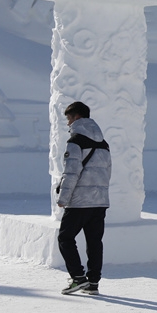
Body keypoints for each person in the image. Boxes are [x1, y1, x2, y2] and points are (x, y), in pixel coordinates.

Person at [56, 101, 111, 295]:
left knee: (65, 237)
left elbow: (71, 172)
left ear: (77, 117)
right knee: (95, 242)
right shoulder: (103, 143)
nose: (68, 123)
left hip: (80, 201)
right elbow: (107, 172)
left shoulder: (76, 141)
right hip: (100, 201)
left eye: (69, 118)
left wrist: (63, 197)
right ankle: (93, 282)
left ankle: (78, 278)